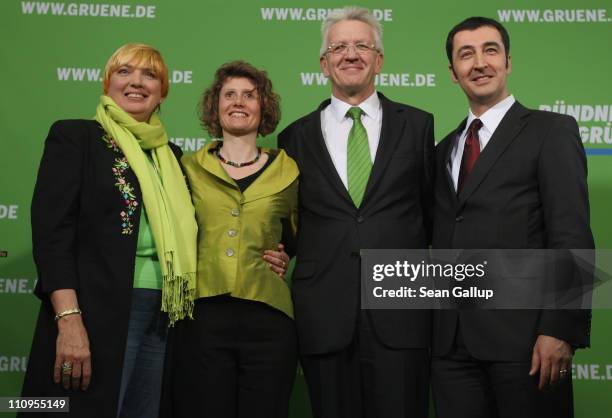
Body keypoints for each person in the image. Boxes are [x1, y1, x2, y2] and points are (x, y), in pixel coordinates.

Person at [20, 44, 289, 418]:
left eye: (149, 75)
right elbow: (52, 236)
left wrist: (277, 253)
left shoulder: (173, 156)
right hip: (99, 310)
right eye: (125, 72)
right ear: (107, 82)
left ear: (162, 90)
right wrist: (69, 319)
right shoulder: (76, 137)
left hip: (167, 314)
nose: (136, 82)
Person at [431, 17, 594, 418]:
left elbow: (570, 233)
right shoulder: (442, 150)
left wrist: (559, 328)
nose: (479, 62)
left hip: (528, 344)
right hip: (450, 348)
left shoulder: (550, 130)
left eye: (490, 50)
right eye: (465, 54)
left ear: (508, 61)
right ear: (453, 74)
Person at [277, 6, 434, 418]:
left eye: (362, 45)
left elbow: (436, 217)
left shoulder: (419, 127)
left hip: (402, 311)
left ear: (378, 60)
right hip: (324, 314)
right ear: (324, 63)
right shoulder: (293, 136)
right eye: (340, 46)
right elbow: (287, 221)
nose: (351, 54)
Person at [166, 61, 297, 418]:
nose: (239, 102)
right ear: (215, 106)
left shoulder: (290, 169)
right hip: (201, 318)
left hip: (270, 320)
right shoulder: (186, 167)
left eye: (249, 95)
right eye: (229, 95)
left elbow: (304, 235)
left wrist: (285, 255)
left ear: (263, 106)